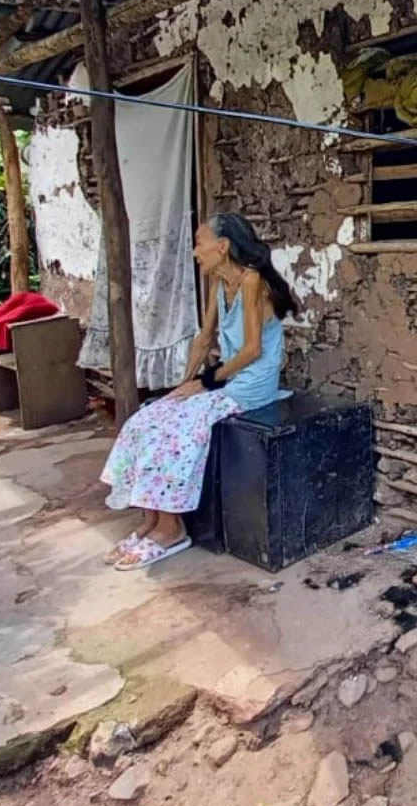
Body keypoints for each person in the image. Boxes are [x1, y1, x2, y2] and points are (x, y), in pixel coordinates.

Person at [100, 213, 295, 570]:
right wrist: (181, 387)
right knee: (148, 418)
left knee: (177, 432)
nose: (194, 252)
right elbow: (204, 339)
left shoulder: (252, 281)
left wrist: (204, 382)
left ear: (222, 246)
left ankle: (172, 529)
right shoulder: (220, 283)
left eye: (199, 243)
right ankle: (150, 521)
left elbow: (252, 350)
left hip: (251, 386)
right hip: (227, 381)